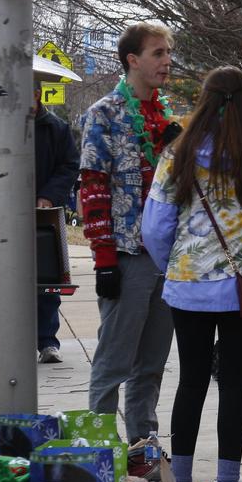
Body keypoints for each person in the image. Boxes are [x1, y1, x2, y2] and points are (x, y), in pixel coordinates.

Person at [141, 66, 242, 482]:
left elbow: (156, 226)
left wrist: (175, 264)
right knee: (233, 386)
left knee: (190, 382)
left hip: (188, 287)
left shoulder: (178, 152)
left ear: (204, 101)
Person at [79, 23, 182, 447]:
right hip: (126, 254)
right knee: (113, 361)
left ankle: (143, 447)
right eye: (158, 53)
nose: (167, 61)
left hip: (166, 255)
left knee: (152, 363)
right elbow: (93, 186)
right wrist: (104, 259)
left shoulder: (165, 116)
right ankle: (100, 451)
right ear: (132, 60)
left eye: (168, 53)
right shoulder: (104, 114)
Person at [32, 82, 80, 364]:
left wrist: (48, 196)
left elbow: (69, 166)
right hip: (5, 213)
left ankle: (47, 341)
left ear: (36, 94)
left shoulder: (56, 129)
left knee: (48, 280)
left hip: (44, 215)